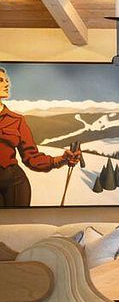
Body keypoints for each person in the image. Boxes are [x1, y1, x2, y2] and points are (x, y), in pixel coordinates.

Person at [0, 65, 82, 208]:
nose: (7, 84)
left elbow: (32, 157)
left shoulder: (17, 119)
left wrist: (61, 160)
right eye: (1, 80)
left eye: (7, 80)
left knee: (18, 228)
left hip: (15, 185)